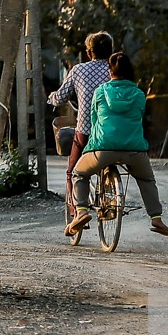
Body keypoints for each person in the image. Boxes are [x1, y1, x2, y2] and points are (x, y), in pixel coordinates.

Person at [68, 52, 168, 238]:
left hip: (103, 149)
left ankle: (82, 211)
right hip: (134, 150)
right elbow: (139, 119)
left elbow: (93, 121)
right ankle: (156, 218)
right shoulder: (139, 94)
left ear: (110, 72)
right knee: (147, 180)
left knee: (79, 173)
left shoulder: (100, 92)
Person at [49, 30, 115, 212]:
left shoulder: (78, 70)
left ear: (88, 53)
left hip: (86, 130)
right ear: (111, 51)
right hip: (113, 130)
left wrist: (51, 99)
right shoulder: (115, 69)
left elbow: (61, 96)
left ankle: (78, 211)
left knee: (73, 171)